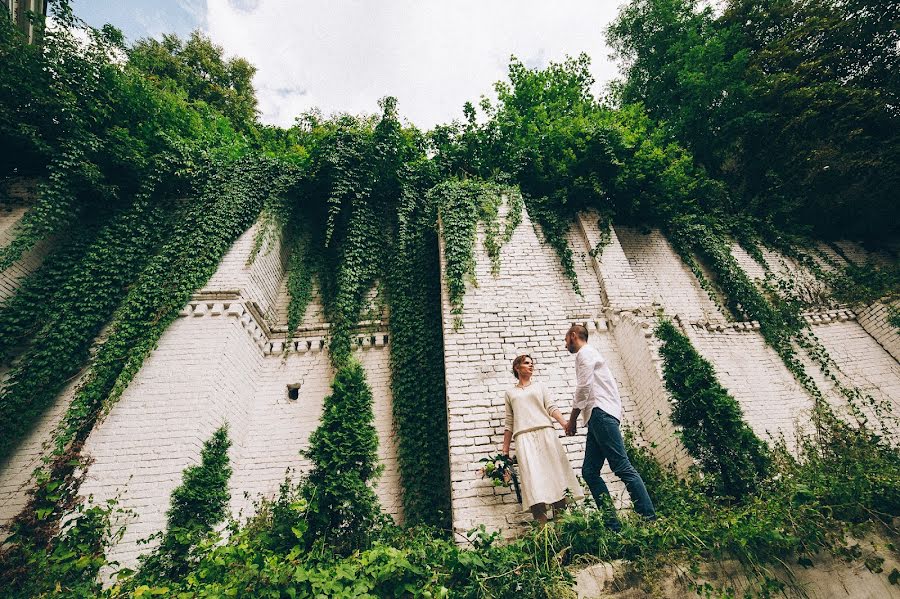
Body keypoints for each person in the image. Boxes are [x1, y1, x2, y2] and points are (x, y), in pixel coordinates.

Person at [564, 324, 657, 530]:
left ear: (573, 336)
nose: (565, 345)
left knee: (622, 467)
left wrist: (571, 420)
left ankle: (649, 520)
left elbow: (584, 387)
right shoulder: (592, 354)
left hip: (600, 414)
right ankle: (613, 526)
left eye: (566, 340)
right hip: (599, 417)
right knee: (589, 471)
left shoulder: (584, 353)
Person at [502, 354, 584, 524]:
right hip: (523, 438)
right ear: (517, 367)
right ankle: (544, 532)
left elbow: (551, 407)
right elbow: (509, 422)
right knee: (534, 484)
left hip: (546, 434)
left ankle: (562, 530)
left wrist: (564, 424)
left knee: (556, 479)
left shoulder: (540, 386)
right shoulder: (510, 393)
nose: (531, 366)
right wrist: (505, 451)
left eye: (532, 363)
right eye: (526, 363)